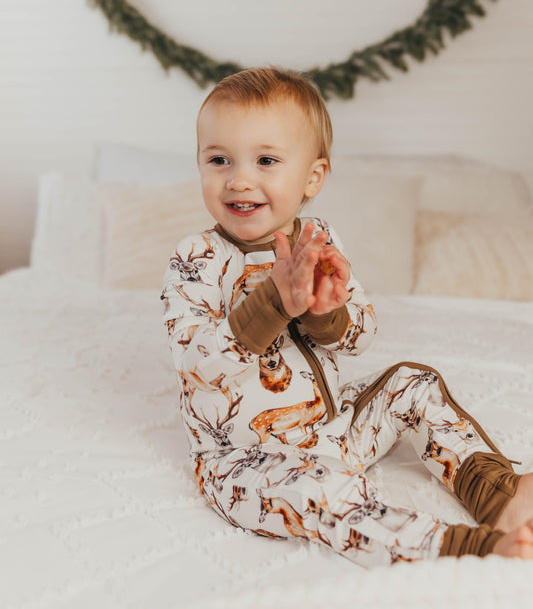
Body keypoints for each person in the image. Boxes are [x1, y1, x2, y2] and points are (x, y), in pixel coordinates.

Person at [161, 66, 533, 567]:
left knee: (413, 383)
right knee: (321, 494)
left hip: (334, 427)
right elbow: (196, 366)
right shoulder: (196, 258)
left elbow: (361, 336)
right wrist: (273, 302)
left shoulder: (319, 239)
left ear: (312, 176)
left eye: (266, 159)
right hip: (244, 459)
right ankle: (464, 549)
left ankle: (499, 496)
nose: (238, 178)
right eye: (218, 159)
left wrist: (326, 313)